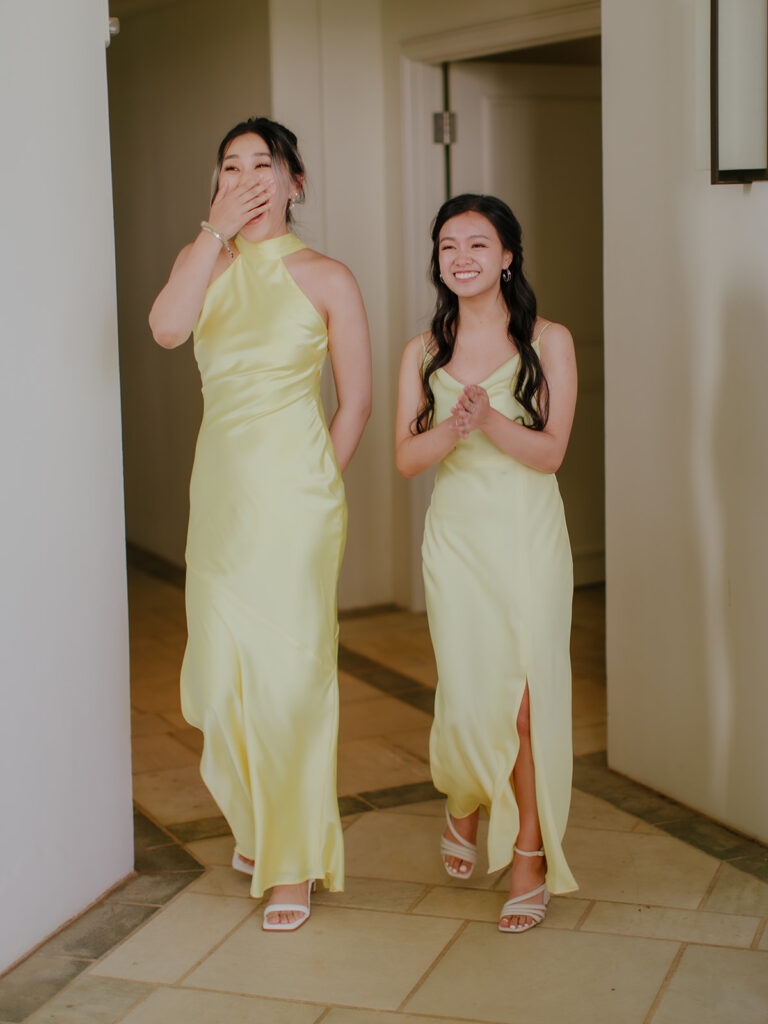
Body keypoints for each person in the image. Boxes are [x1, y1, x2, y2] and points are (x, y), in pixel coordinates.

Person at [149, 117, 372, 931]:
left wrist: (317, 485)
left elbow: (356, 401)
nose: (245, 178)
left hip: (297, 505)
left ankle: (292, 862)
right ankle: (259, 824)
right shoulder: (203, 264)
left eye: (262, 165)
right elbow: (167, 328)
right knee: (218, 678)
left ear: (294, 182)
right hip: (220, 499)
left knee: (288, 678)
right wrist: (212, 232)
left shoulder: (327, 277)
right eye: (230, 166)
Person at [395, 193, 578, 932]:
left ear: (507, 257)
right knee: (469, 693)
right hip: (458, 540)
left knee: (526, 703)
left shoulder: (550, 341)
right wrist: (453, 428)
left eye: (478, 243)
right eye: (448, 245)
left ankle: (530, 856)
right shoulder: (421, 352)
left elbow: (551, 453)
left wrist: (492, 419)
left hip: (529, 537)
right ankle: (465, 796)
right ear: (438, 261)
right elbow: (407, 460)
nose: (461, 256)